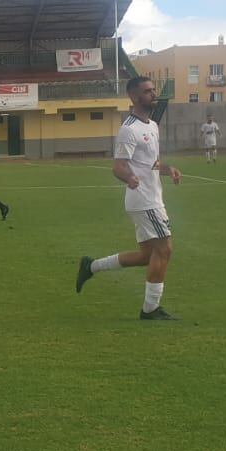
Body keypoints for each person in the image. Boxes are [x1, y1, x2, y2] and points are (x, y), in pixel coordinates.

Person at [74, 77, 182, 320]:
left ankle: (91, 266)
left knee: (147, 255)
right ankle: (150, 309)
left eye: (153, 90)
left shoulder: (152, 126)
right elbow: (118, 167)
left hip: (153, 197)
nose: (153, 94)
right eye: (147, 91)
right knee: (165, 249)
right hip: (144, 200)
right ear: (134, 97)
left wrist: (168, 169)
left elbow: (152, 163)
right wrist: (129, 178)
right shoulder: (129, 129)